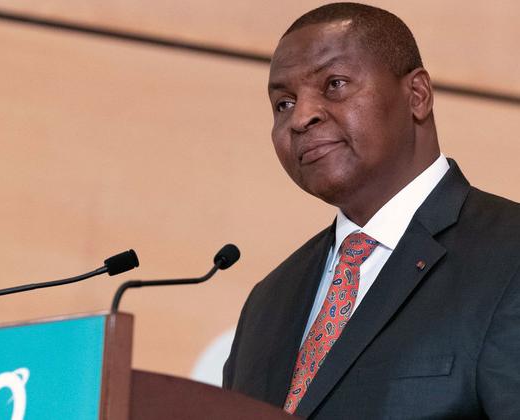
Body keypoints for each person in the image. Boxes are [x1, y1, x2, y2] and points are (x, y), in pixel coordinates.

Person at [223, 3, 520, 419]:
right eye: (283, 104)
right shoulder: (267, 302)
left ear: (417, 95)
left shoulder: (508, 254)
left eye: (335, 84)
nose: (301, 117)